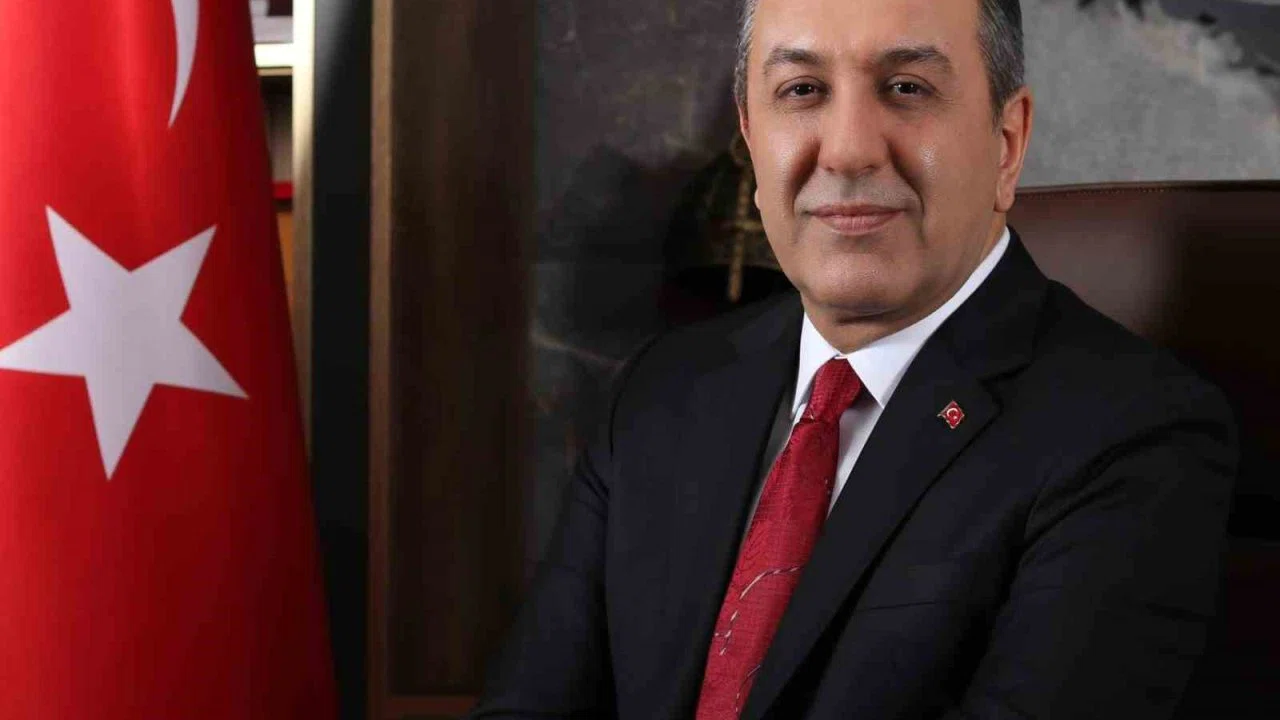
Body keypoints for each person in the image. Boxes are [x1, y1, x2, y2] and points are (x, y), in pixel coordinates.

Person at [472, 0, 1238, 717]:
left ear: (1006, 143)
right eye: (802, 90)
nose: (847, 150)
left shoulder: (1133, 438)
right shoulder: (663, 390)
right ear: (751, 139)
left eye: (907, 88)